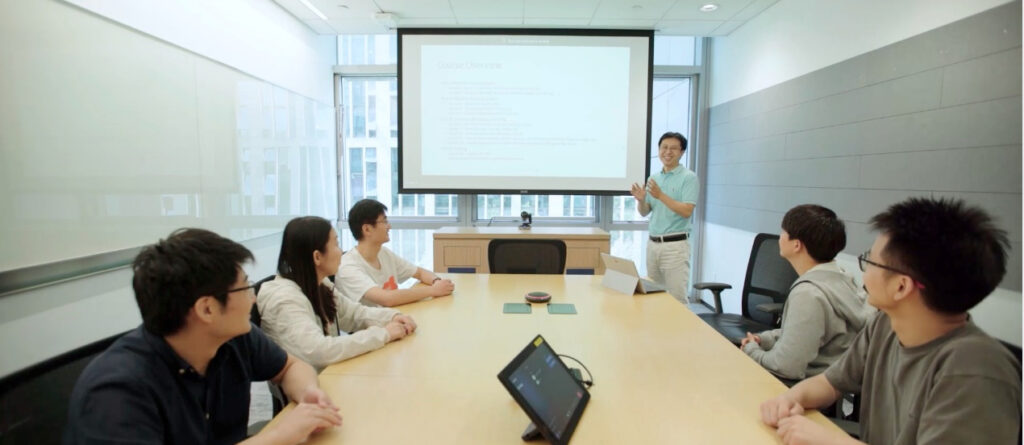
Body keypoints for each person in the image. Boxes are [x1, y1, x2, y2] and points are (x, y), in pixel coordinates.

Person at [759, 197, 1021, 445]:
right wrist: (791, 398)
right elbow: (831, 383)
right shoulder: (885, 325)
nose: (864, 271)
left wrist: (832, 440)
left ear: (901, 287)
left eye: (870, 261)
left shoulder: (976, 372)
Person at [64, 228, 342, 445]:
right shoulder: (117, 391)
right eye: (245, 288)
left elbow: (290, 366)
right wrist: (278, 436)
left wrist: (308, 392)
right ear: (207, 309)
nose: (253, 298)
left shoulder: (233, 337)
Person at [257, 216, 417, 370]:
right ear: (317, 257)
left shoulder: (321, 283)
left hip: (331, 373)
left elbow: (353, 314)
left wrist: (392, 317)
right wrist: (384, 334)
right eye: (336, 244)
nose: (340, 252)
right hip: (309, 384)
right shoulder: (284, 299)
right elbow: (319, 351)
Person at [740, 204, 869, 381]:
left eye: (783, 232)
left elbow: (785, 367)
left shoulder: (808, 294)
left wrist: (751, 350)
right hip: (832, 383)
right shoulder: (841, 278)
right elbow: (806, 333)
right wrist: (764, 339)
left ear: (796, 245)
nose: (780, 237)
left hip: (803, 387)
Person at [336, 199, 454, 307]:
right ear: (367, 229)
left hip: (394, 317)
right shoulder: (347, 267)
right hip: (372, 323)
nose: (389, 226)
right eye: (384, 221)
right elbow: (386, 299)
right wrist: (433, 290)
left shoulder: (383, 253)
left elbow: (419, 273)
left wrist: (437, 282)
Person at [630, 131, 699, 304]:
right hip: (653, 245)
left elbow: (687, 211)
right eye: (664, 147)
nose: (668, 152)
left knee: (677, 298)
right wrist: (641, 200)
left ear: (682, 152)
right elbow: (645, 212)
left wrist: (660, 195)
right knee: (654, 296)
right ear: (659, 150)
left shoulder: (689, 178)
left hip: (675, 246)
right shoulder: (654, 178)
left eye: (673, 148)